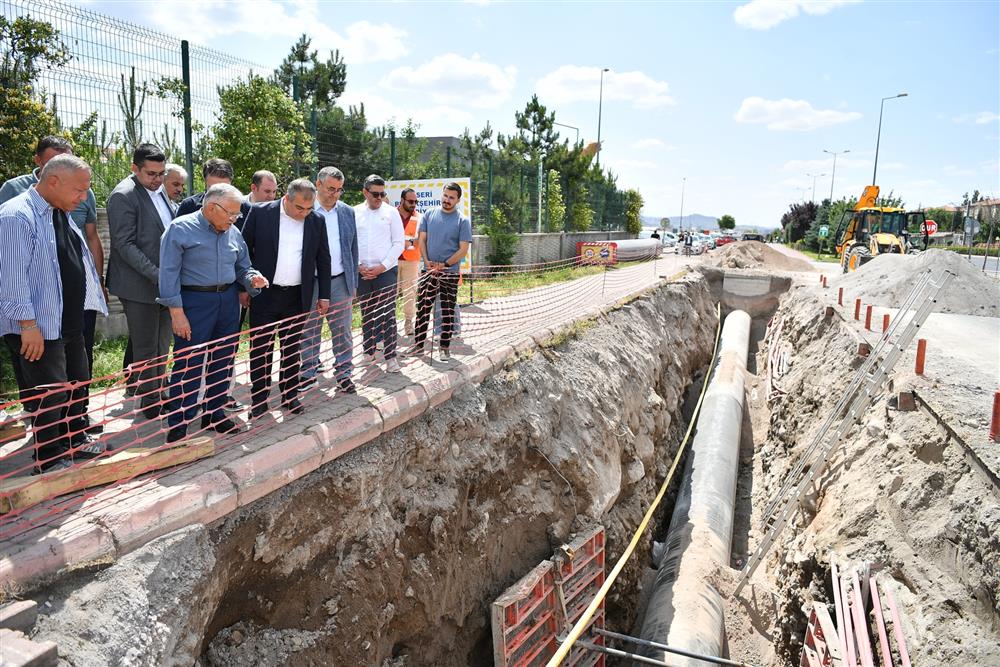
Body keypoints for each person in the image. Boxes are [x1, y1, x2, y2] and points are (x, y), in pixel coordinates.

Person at [0, 155, 108, 472]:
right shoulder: (16, 216)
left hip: (68, 321)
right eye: (79, 190)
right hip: (37, 326)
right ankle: (47, 459)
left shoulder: (57, 211)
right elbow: (12, 278)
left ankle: (73, 442)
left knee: (77, 383)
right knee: (50, 393)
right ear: (53, 181)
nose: (83, 198)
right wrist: (27, 324)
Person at [158, 184, 268, 443]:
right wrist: (176, 313)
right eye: (231, 214)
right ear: (211, 208)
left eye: (237, 214)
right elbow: (168, 273)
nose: (234, 219)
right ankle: (179, 423)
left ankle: (214, 414)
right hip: (194, 302)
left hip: (227, 301)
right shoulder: (180, 229)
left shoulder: (233, 232)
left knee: (224, 359)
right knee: (189, 362)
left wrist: (252, 279)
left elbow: (243, 267)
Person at [242, 179, 331, 418]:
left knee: (291, 348)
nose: (304, 213)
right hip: (264, 294)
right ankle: (259, 400)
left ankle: (290, 395)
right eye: (299, 208)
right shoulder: (260, 213)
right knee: (261, 348)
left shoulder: (316, 220)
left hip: (297, 295)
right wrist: (244, 286)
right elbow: (242, 251)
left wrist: (324, 295)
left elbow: (323, 259)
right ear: (286, 198)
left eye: (309, 208)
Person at [106, 143, 173, 420]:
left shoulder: (159, 191)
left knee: (162, 343)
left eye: (161, 173)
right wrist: (158, 274)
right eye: (151, 174)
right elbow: (124, 245)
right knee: (146, 347)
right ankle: (150, 402)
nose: (157, 179)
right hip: (138, 285)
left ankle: (159, 391)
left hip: (165, 283)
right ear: (135, 168)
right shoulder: (123, 196)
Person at [301, 166, 359, 393]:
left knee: (343, 331)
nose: (335, 194)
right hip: (312, 282)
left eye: (339, 190)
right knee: (309, 329)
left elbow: (353, 249)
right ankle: (307, 373)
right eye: (331, 189)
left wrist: (352, 283)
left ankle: (344, 374)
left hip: (340, 281)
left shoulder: (347, 212)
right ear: (318, 184)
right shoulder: (305, 210)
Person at [411, 182, 472, 361]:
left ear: (458, 200)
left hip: (449, 273)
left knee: (447, 311)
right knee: (423, 309)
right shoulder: (429, 214)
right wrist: (427, 261)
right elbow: (422, 240)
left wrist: (445, 264)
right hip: (428, 271)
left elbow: (463, 249)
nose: (447, 200)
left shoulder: (462, 221)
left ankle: (444, 348)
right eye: (445, 195)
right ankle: (418, 346)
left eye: (451, 197)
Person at [354, 175, 404, 373]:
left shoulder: (391, 212)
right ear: (365, 192)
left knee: (387, 314)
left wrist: (382, 267)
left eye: (382, 194)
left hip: (386, 272)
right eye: (375, 194)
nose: (379, 198)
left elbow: (398, 243)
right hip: (363, 272)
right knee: (367, 313)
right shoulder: (354, 212)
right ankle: (369, 352)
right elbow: (350, 242)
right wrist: (359, 266)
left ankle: (390, 357)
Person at [175, 158, 255, 230]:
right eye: (213, 189)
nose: (218, 195)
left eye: (224, 189)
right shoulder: (189, 206)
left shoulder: (246, 209)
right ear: (205, 182)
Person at [396, 188, 421, 336]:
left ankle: (408, 322)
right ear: (402, 200)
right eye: (411, 201)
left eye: (416, 202)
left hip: (411, 261)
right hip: (391, 260)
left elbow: (422, 239)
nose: (414, 204)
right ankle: (388, 323)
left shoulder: (419, 217)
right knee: (389, 294)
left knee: (410, 293)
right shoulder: (391, 214)